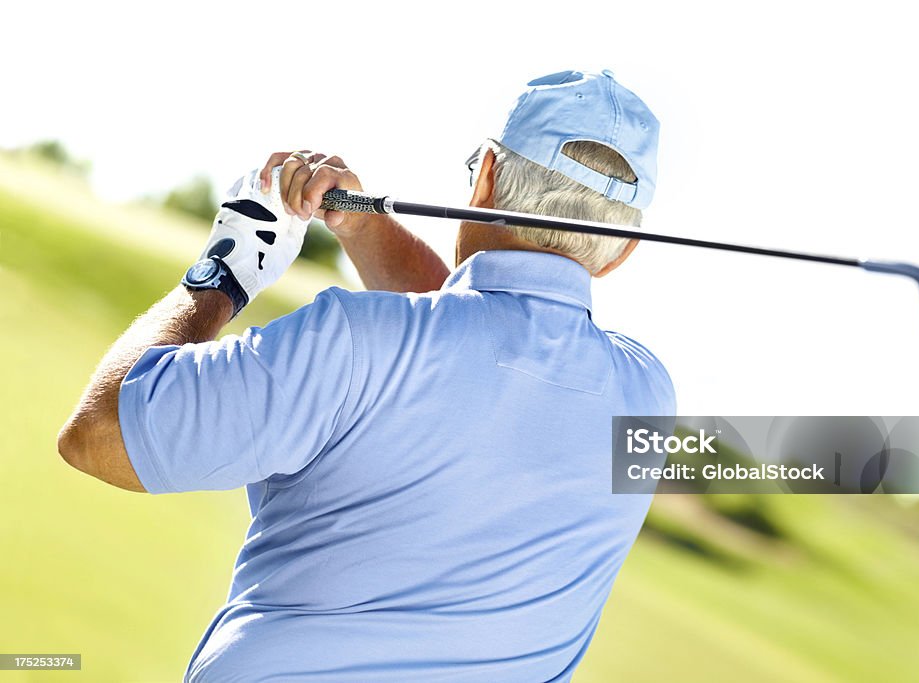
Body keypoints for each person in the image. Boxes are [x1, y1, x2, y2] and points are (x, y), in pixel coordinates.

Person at [58, 69, 676, 682]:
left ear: (484, 177)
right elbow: (486, 346)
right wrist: (365, 226)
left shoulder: (351, 341)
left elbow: (101, 436)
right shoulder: (648, 396)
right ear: (626, 246)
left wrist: (228, 269)